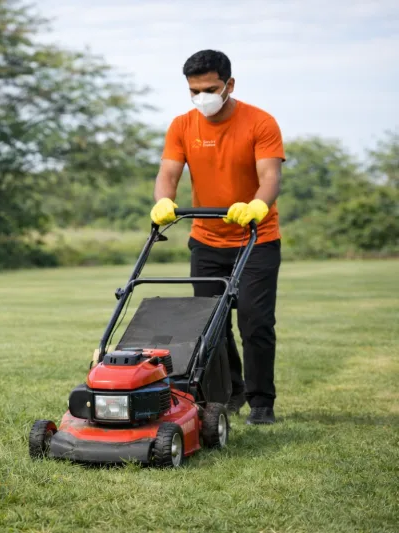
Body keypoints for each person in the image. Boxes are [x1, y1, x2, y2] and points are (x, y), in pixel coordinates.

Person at [150, 50, 284, 425]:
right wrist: (163, 201)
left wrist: (258, 204)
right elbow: (169, 173)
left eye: (210, 88)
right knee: (211, 325)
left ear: (230, 85)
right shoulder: (182, 125)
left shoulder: (260, 122)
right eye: (194, 90)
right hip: (206, 238)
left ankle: (261, 402)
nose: (202, 97)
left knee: (255, 322)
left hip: (257, 238)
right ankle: (231, 393)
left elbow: (270, 176)